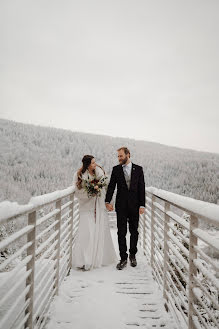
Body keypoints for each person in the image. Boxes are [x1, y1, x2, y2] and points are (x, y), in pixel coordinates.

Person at [72, 155, 117, 270]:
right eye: (92, 163)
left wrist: (108, 201)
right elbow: (78, 192)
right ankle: (84, 260)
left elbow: (106, 188)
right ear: (87, 164)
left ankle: (99, 258)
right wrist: (90, 193)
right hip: (87, 207)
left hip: (100, 206)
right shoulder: (79, 175)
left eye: (95, 162)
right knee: (87, 232)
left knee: (100, 231)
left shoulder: (100, 173)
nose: (95, 164)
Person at [105, 147, 145, 270]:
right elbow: (111, 186)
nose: (119, 158)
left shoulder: (138, 169)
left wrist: (142, 205)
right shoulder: (116, 170)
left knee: (134, 231)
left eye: (121, 156)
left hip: (135, 206)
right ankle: (123, 258)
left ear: (128, 155)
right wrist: (107, 201)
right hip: (121, 206)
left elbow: (141, 188)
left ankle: (132, 255)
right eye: (118, 156)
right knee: (121, 232)